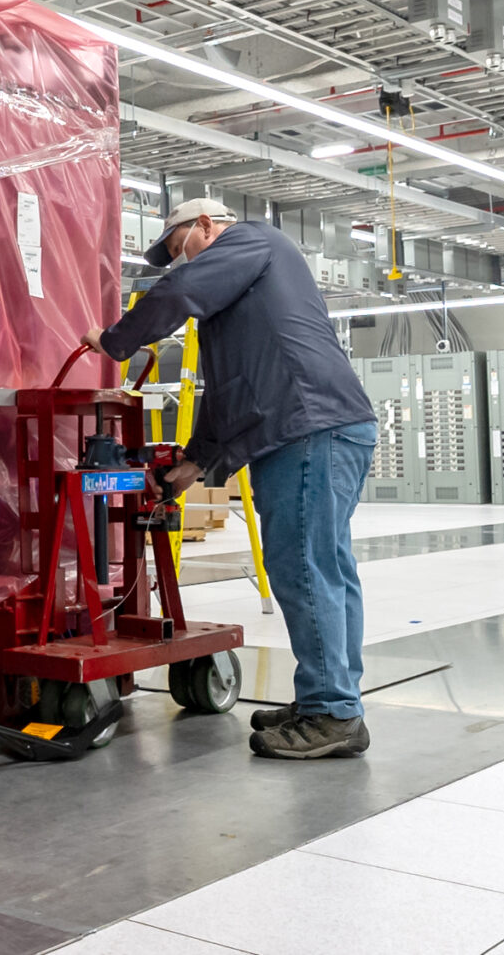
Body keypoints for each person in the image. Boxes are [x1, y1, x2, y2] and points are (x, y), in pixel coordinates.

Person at [85, 198, 377, 760]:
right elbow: (229, 395)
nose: (179, 265)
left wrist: (117, 340)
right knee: (326, 568)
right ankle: (331, 699)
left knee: (304, 569)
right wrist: (191, 466)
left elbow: (177, 292)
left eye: (180, 250)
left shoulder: (252, 241)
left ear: (205, 226)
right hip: (319, 427)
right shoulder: (237, 307)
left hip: (309, 429)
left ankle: (332, 711)